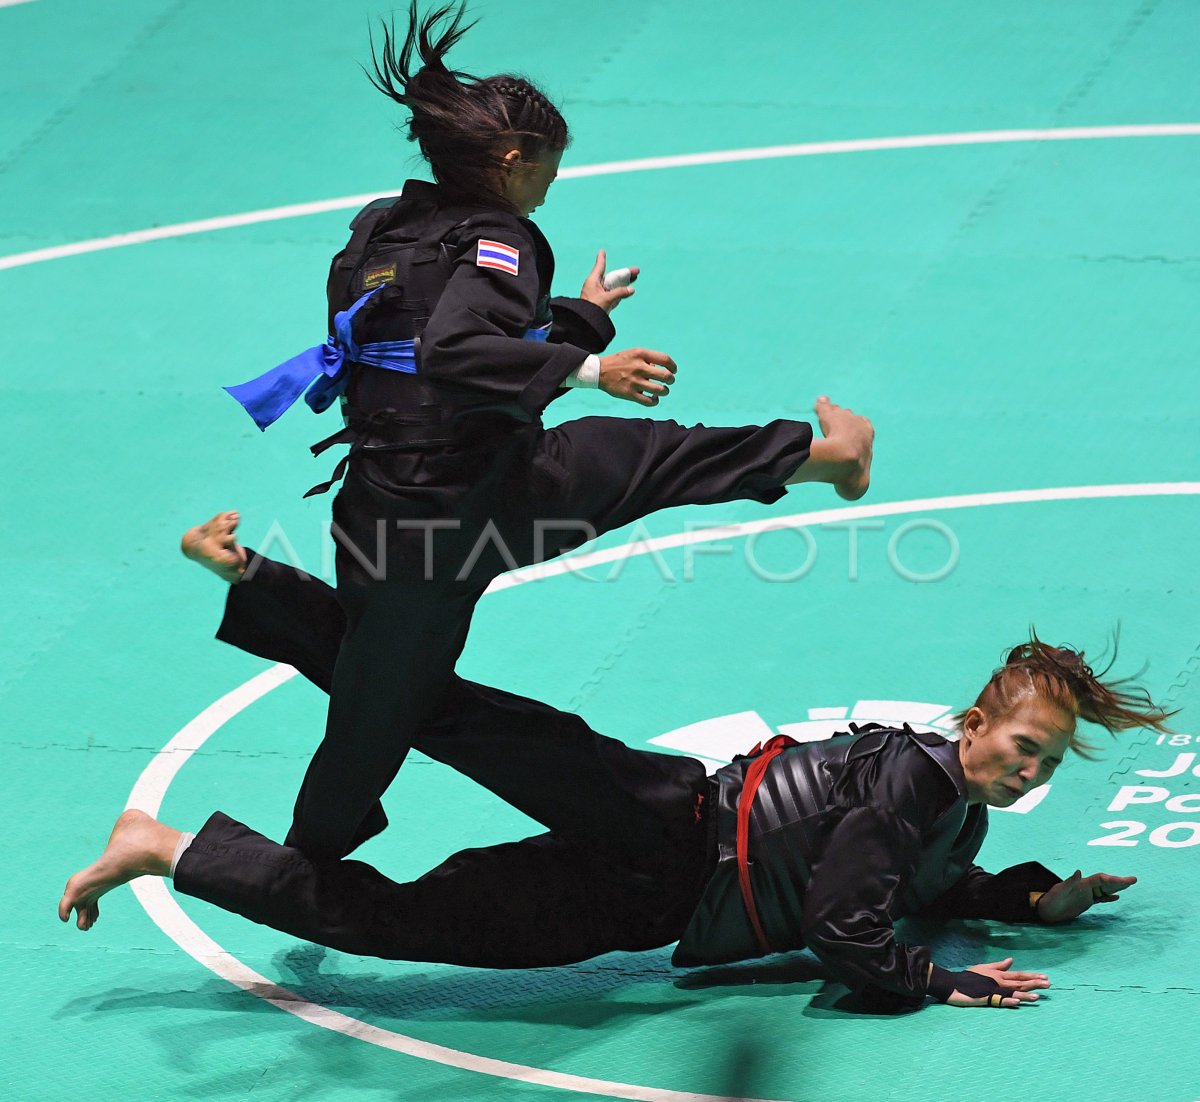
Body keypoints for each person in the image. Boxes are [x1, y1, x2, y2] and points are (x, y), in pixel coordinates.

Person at [216, 1, 876, 863]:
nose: (550, 188)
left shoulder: (381, 230)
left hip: (379, 508)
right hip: (484, 491)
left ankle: (306, 854)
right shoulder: (499, 233)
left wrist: (582, 318)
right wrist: (593, 367)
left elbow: (417, 348)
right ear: (513, 160)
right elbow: (456, 350)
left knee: (378, 701)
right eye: (548, 172)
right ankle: (832, 454)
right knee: (649, 452)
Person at [59, 543, 1171, 1010]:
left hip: (641, 874)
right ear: (975, 724)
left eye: (1048, 760)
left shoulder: (951, 819)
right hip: (670, 827)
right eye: (1023, 744)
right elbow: (847, 928)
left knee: (405, 912)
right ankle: (265, 586)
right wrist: (943, 980)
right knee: (452, 714)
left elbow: (913, 887)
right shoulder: (914, 788)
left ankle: (167, 844)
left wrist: (1033, 898)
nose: (1031, 768)